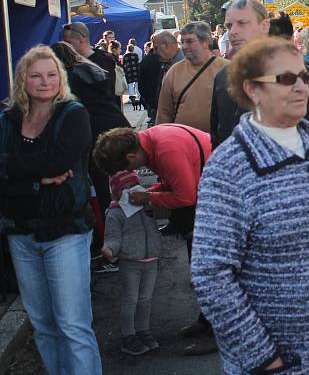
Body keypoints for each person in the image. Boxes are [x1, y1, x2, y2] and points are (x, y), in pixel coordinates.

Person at [192, 37, 309, 374]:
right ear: (253, 89)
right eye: (286, 79)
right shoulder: (229, 167)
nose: (302, 88)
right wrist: (261, 356)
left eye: (304, 76)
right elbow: (211, 273)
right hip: (286, 357)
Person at [0, 46, 102, 374]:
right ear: (22, 80)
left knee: (73, 325)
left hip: (65, 232)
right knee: (43, 325)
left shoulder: (73, 114)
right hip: (21, 232)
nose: (45, 82)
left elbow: (56, 161)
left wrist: (15, 169)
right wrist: (37, 179)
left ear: (61, 77)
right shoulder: (8, 119)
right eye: (36, 76)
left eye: (51, 74)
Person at [92, 123, 213, 355]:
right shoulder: (152, 141)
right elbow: (174, 184)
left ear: (131, 155)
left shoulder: (166, 149)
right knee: (201, 268)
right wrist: (150, 193)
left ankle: (219, 331)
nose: (133, 171)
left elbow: (185, 196)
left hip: (214, 203)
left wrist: (148, 198)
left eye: (127, 167)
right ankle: (206, 320)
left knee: (210, 270)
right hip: (206, 197)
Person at [210, 0, 309, 148]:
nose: (233, 31)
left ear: (264, 25)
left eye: (242, 23)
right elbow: (218, 134)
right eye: (229, 26)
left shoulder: (292, 71)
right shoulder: (223, 77)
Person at [51, 41, 130, 255]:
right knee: (122, 185)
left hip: (95, 133)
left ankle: (109, 244)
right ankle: (128, 238)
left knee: (103, 189)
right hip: (115, 126)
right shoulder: (93, 70)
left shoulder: (70, 79)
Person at [102, 170, 161, 356]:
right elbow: (113, 237)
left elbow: (162, 213)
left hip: (151, 260)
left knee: (145, 299)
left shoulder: (147, 206)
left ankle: (143, 330)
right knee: (131, 299)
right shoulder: (115, 213)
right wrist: (109, 249)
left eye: (134, 185)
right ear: (119, 192)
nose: (132, 190)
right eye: (126, 188)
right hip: (130, 262)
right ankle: (129, 335)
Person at [156, 21, 227, 133]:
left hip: (219, 145)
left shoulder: (227, 69)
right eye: (182, 42)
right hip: (182, 143)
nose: (184, 46)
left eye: (189, 41)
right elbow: (164, 113)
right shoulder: (174, 72)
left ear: (206, 42)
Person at [62, 21, 117, 99]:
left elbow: (106, 94)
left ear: (81, 41)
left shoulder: (102, 62)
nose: (65, 46)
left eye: (68, 42)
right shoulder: (71, 62)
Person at [139, 30, 183, 125]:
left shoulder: (183, 65)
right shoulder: (167, 62)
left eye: (155, 48)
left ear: (166, 45)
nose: (154, 52)